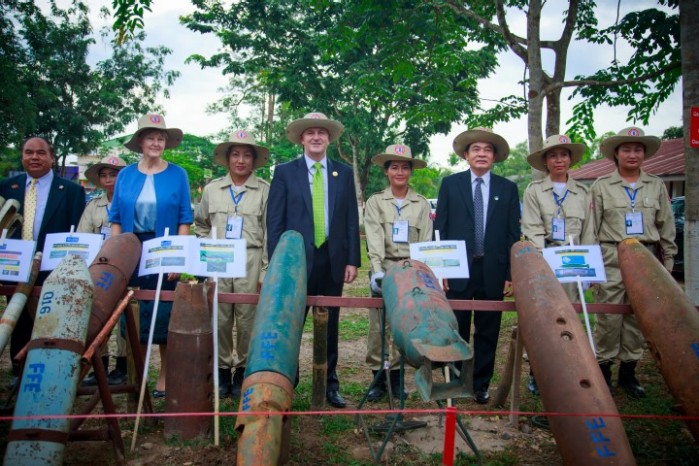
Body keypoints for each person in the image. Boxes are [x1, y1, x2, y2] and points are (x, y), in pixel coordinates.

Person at [266, 112, 361, 408]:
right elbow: (275, 221)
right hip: (295, 262)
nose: (316, 137)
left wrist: (352, 260)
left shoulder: (343, 173)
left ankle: (329, 383)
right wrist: (278, 263)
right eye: (310, 133)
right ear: (302, 139)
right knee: (291, 322)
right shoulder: (284, 172)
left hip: (332, 260)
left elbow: (349, 220)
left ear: (329, 138)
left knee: (330, 324)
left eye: (322, 132)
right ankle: (287, 380)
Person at [581, 127, 676, 398]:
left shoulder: (656, 185)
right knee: (609, 317)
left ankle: (629, 373)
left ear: (644, 154)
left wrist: (667, 263)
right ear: (616, 154)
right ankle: (604, 372)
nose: (632, 154)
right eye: (626, 149)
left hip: (646, 260)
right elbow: (591, 229)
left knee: (637, 317)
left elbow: (666, 226)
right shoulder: (600, 186)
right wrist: (592, 265)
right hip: (612, 258)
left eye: (638, 149)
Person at [434, 128, 520, 405]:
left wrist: (510, 273)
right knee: (456, 326)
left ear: (494, 156)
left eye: (487, 150)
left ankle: (481, 384)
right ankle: (457, 380)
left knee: (488, 328)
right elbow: (440, 229)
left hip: (492, 270)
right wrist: (441, 270)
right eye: (476, 149)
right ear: (466, 155)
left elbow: (511, 235)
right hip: (457, 268)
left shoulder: (507, 189)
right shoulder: (450, 184)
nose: (481, 154)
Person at [110, 113, 193, 398]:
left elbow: (184, 218)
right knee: (133, 314)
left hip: (164, 248)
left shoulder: (178, 174)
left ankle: (165, 377)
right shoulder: (125, 174)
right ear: (140, 142)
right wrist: (116, 257)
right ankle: (136, 375)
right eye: (150, 138)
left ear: (165, 143)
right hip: (131, 247)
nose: (156, 142)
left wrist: (178, 257)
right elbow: (116, 218)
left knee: (164, 315)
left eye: (161, 138)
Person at [0, 137, 85, 384]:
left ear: (51, 157)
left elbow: (77, 232)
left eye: (40, 153)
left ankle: (50, 369)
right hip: (14, 265)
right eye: (28, 152)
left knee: (51, 316)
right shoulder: (7, 187)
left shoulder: (71, 191)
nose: (34, 157)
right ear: (22, 156)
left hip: (53, 267)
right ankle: (20, 368)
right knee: (17, 315)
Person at [194, 130, 270, 398]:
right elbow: (201, 223)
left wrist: (264, 270)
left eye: (246, 155)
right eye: (235, 154)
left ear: (253, 160)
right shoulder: (213, 189)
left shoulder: (264, 191)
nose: (241, 160)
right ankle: (223, 369)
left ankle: (244, 370)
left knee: (248, 317)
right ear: (227, 159)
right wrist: (207, 252)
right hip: (219, 257)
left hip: (250, 257)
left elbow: (269, 231)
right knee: (221, 315)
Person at [363, 144, 432, 401]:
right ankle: (378, 380)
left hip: (410, 271)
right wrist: (378, 271)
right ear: (387, 172)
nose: (400, 172)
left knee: (405, 325)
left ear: (410, 172)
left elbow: (425, 241)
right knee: (379, 325)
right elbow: (374, 237)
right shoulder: (376, 202)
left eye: (405, 167)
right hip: (384, 268)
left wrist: (420, 272)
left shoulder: (421, 204)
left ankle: (397, 378)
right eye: (394, 167)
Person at [521, 134, 588, 394]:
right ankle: (537, 371)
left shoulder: (582, 192)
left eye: (563, 155)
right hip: (546, 263)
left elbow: (589, 231)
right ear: (545, 161)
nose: (558, 160)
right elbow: (533, 229)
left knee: (570, 318)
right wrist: (541, 263)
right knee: (543, 318)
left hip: (574, 265)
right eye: (552, 155)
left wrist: (589, 265)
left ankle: (570, 369)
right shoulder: (535, 191)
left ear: (570, 159)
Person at [78, 155, 128, 386]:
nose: (109, 180)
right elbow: (84, 236)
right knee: (98, 313)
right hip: (98, 268)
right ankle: (100, 364)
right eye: (104, 175)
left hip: (126, 268)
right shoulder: (93, 206)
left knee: (125, 316)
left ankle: (122, 366)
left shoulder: (131, 203)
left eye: (114, 175)